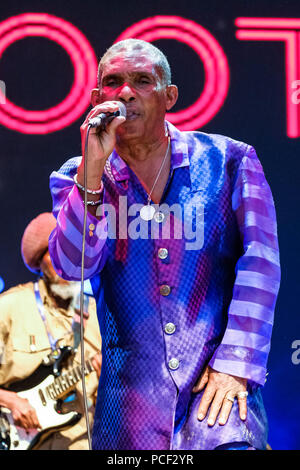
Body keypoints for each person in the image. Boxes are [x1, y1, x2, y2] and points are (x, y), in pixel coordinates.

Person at [48, 39, 281, 450]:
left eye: (142, 81)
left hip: (217, 400)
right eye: (113, 82)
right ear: (96, 97)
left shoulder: (229, 160)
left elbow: (261, 264)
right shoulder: (79, 175)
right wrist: (93, 171)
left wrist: (236, 365)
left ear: (169, 96)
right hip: (130, 413)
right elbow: (72, 266)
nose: (125, 92)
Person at [0, 212, 102, 450]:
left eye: (72, 253)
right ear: (39, 263)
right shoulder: (9, 308)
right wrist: (11, 401)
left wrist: (109, 376)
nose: (65, 262)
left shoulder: (98, 313)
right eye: (55, 254)